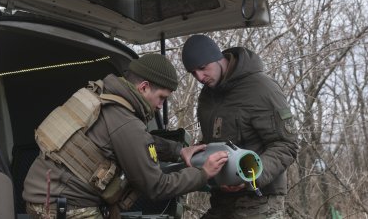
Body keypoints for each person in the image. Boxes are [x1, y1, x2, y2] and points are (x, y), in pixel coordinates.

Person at [23, 53, 229, 219]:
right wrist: (203, 173)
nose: (160, 106)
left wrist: (178, 150)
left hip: (42, 198)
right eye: (161, 98)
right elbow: (156, 186)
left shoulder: (104, 98)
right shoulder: (126, 121)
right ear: (144, 87)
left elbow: (137, 141)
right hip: (65, 207)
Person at [181, 35, 298, 219]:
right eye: (193, 73)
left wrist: (251, 177)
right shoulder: (207, 95)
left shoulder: (262, 88)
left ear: (217, 57)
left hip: (259, 201)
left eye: (203, 68)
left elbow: (286, 145)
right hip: (221, 199)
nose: (199, 77)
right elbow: (213, 140)